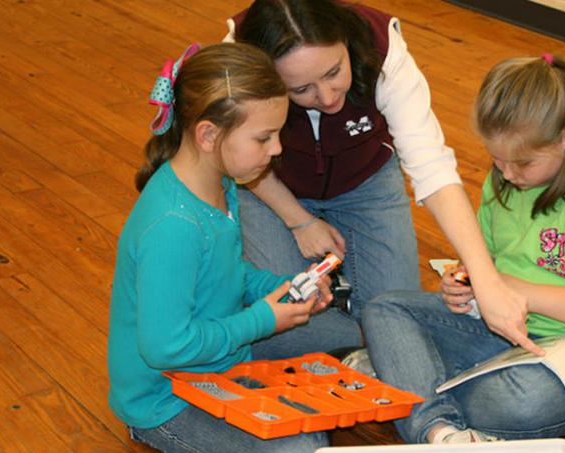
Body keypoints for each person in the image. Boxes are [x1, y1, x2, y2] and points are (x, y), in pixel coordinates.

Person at [362, 54, 565, 444]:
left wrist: (510, 288)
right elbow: (484, 260)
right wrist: (463, 281)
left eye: (522, 162)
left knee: (515, 404)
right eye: (497, 159)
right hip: (504, 331)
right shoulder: (503, 181)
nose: (506, 174)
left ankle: (409, 376)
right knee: (384, 309)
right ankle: (441, 434)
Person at [108, 43, 356, 453]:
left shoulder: (221, 182)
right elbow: (166, 348)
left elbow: (227, 274)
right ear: (208, 135)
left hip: (224, 358)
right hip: (167, 398)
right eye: (264, 138)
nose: (277, 149)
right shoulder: (173, 227)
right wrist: (263, 318)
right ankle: (159, 432)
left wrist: (283, 287)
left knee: (347, 335)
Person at [224, 0, 541, 355]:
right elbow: (235, 158)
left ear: (345, 41)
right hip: (270, 186)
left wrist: (486, 280)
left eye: (333, 72)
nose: (328, 98)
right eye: (301, 90)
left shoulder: (383, 48)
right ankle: (353, 330)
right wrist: (298, 221)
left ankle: (348, 325)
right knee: (287, 314)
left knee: (394, 307)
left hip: (365, 181)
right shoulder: (237, 61)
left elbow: (431, 165)